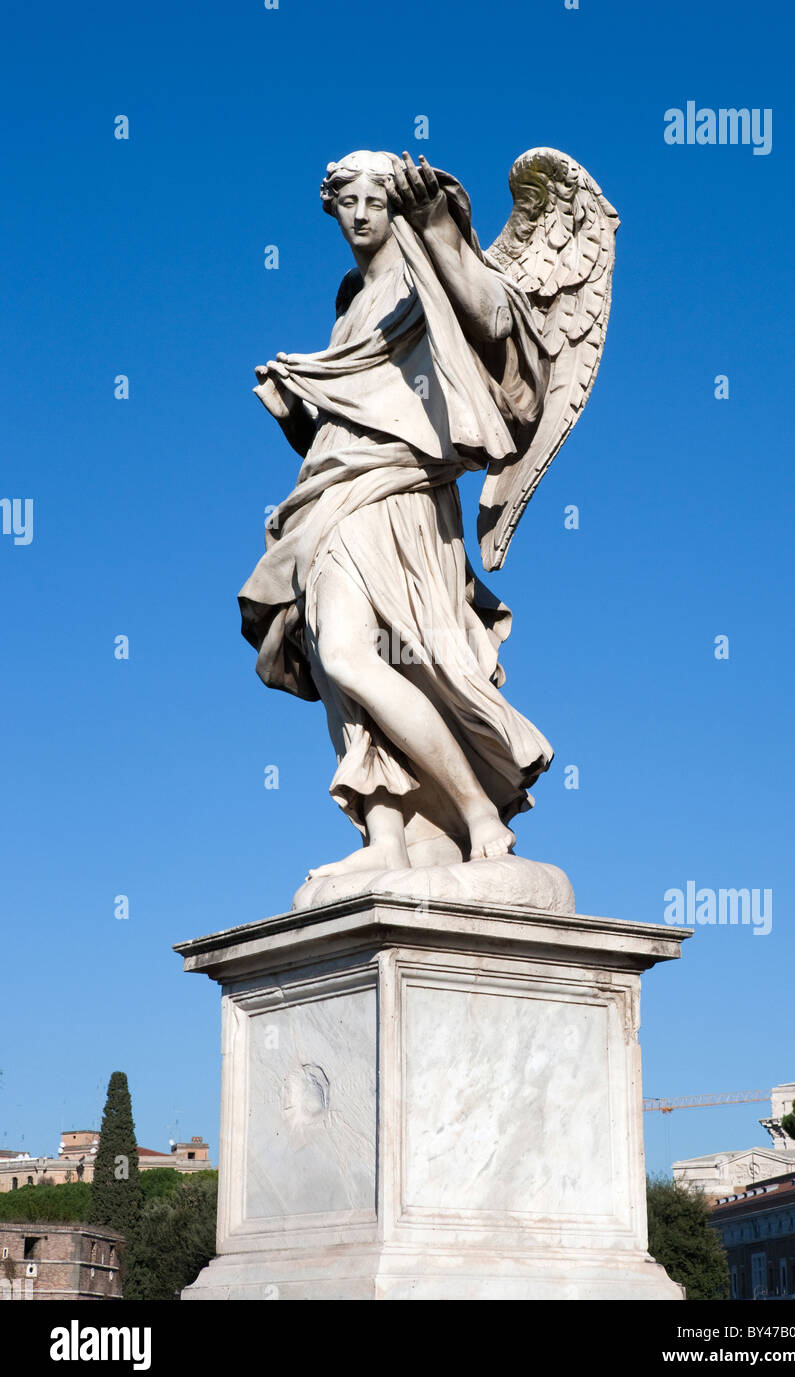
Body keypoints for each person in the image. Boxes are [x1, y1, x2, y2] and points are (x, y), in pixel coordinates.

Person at [239, 150, 553, 879]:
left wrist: (438, 226)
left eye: (373, 199)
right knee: (335, 661)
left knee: (356, 653)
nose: (358, 213)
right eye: (344, 199)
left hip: (396, 496)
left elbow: (497, 317)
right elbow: (364, 411)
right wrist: (298, 416)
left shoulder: (424, 262)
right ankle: (383, 837)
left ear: (395, 204)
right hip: (332, 490)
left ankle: (478, 815)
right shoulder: (351, 296)